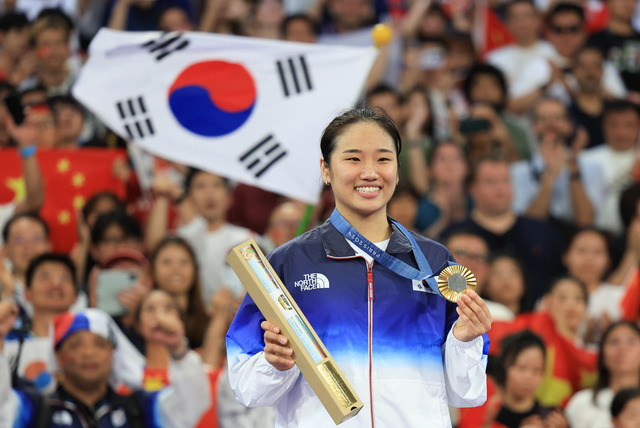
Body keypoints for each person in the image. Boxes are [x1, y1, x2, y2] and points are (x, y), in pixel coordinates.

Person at [226, 107, 492, 427]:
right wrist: (276, 365)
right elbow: (247, 390)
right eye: (353, 159)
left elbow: (467, 394)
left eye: (383, 159)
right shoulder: (289, 263)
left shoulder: (434, 262)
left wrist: (464, 341)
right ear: (326, 170)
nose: (370, 172)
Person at [0, 304, 210, 427]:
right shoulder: (36, 407)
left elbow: (190, 409)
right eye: (76, 345)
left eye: (100, 344)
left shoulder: (137, 406)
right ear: (60, 357)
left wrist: (178, 350)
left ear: (113, 355)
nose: (89, 353)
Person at [565, 322, 640, 428]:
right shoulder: (582, 402)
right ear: (602, 352)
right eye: (614, 342)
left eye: (631, 341)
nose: (622, 349)